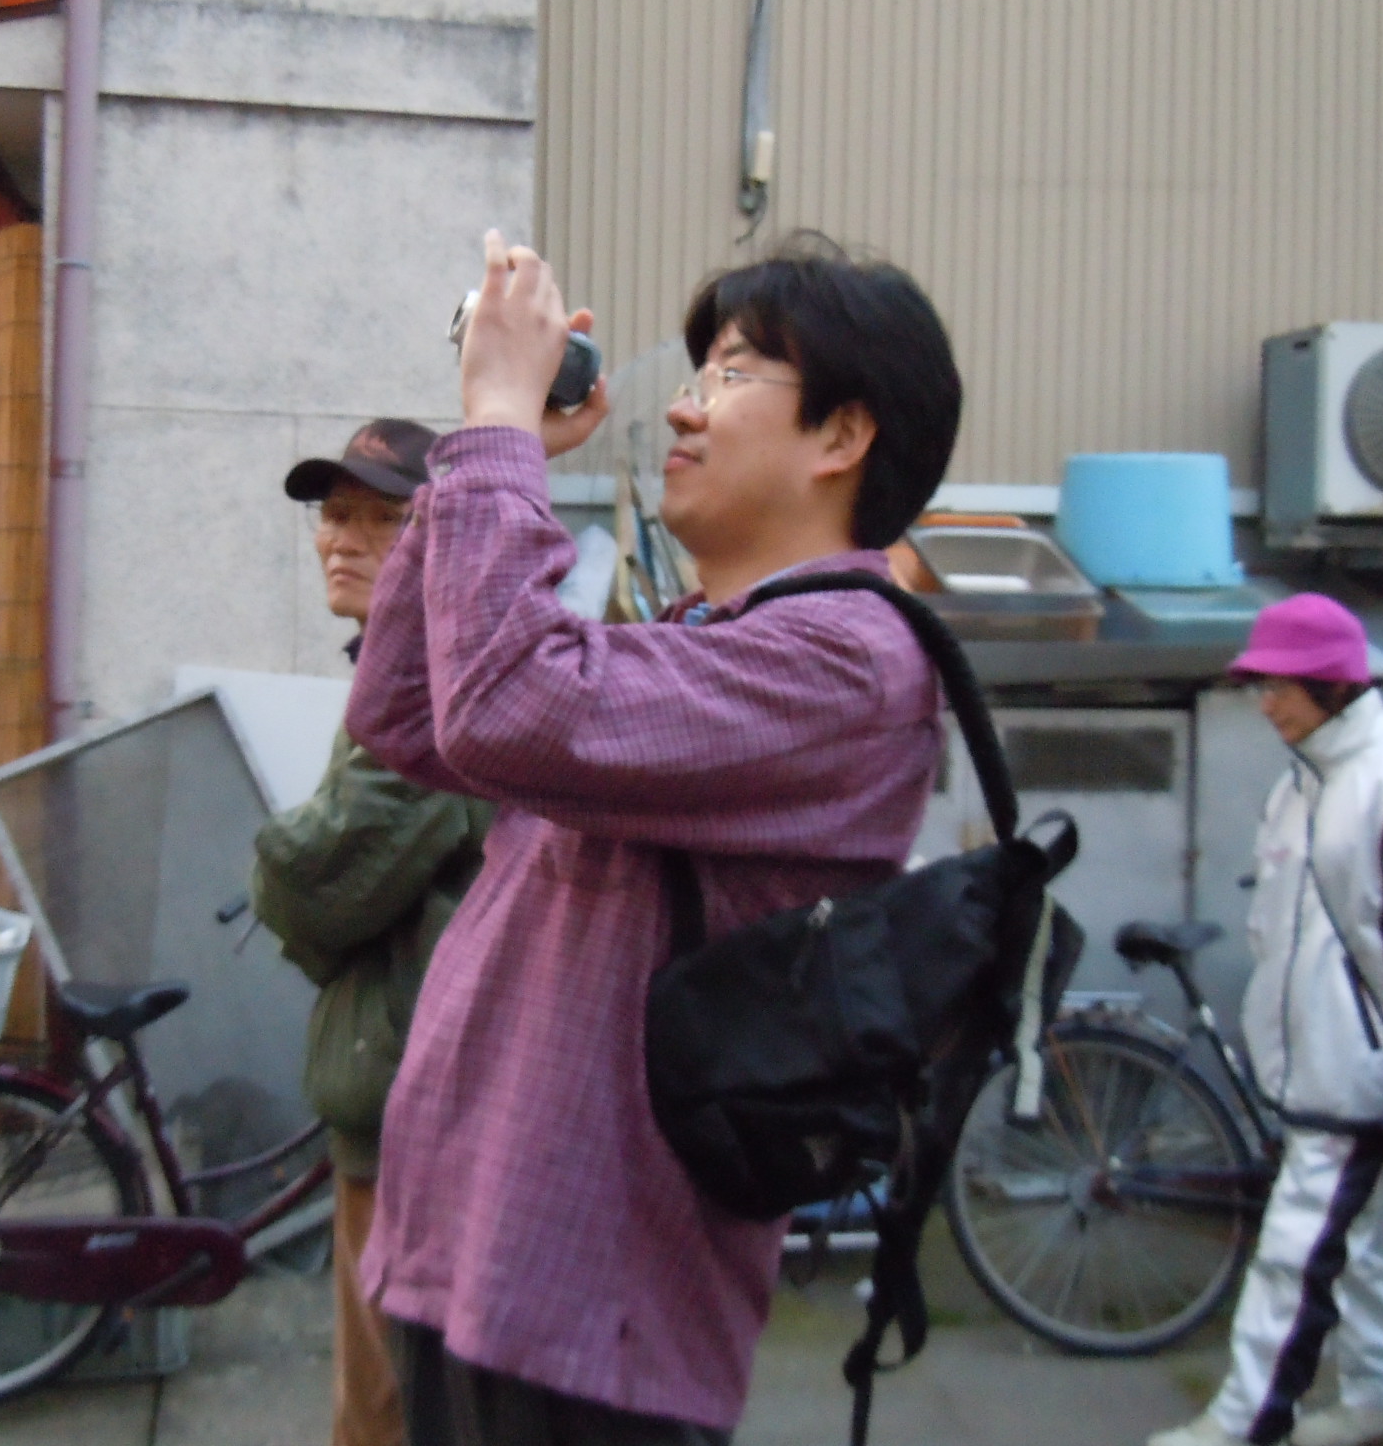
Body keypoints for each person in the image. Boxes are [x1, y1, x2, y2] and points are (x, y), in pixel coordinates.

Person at [344, 232, 959, 1444]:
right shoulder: (710, 634)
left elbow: (509, 707)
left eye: (729, 373)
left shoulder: (847, 664)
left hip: (585, 1314)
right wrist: (498, 453)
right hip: (472, 1255)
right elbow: (407, 712)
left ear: (841, 435)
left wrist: (499, 426)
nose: (680, 406)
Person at [1148, 594, 1383, 1446]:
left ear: (1337, 686)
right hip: (1328, 1066)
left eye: (1280, 686)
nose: (1265, 703)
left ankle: (1246, 1423)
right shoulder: (1301, 789)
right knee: (1361, 1245)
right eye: (1260, 686)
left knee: (1297, 1253)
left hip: (1365, 1073)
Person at [251, 420, 495, 1446]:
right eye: (333, 513)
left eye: (382, 518)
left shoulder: (435, 679)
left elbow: (314, 884)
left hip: (413, 1107)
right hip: (409, 1086)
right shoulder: (402, 668)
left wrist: (285, 880)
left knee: (383, 1413)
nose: (341, 539)